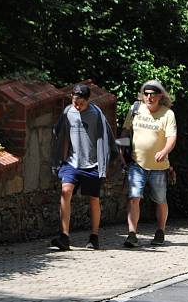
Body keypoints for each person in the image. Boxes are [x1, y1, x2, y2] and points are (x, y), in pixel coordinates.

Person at [50, 83, 117, 251]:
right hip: (72, 162)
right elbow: (59, 133)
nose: (77, 106)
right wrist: (61, 157)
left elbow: (107, 138)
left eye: (80, 103)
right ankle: (64, 236)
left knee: (93, 198)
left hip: (92, 163)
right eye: (74, 102)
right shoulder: (68, 112)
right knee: (65, 191)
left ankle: (94, 236)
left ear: (88, 100)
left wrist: (105, 163)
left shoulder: (96, 115)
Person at [120, 80, 177, 248]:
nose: (149, 97)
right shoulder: (135, 109)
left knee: (160, 199)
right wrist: (122, 151)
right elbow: (125, 131)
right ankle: (132, 234)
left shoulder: (168, 114)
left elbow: (172, 138)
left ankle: (160, 231)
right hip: (137, 163)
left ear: (160, 96)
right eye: (146, 94)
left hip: (159, 167)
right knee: (134, 197)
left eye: (153, 94)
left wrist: (164, 151)